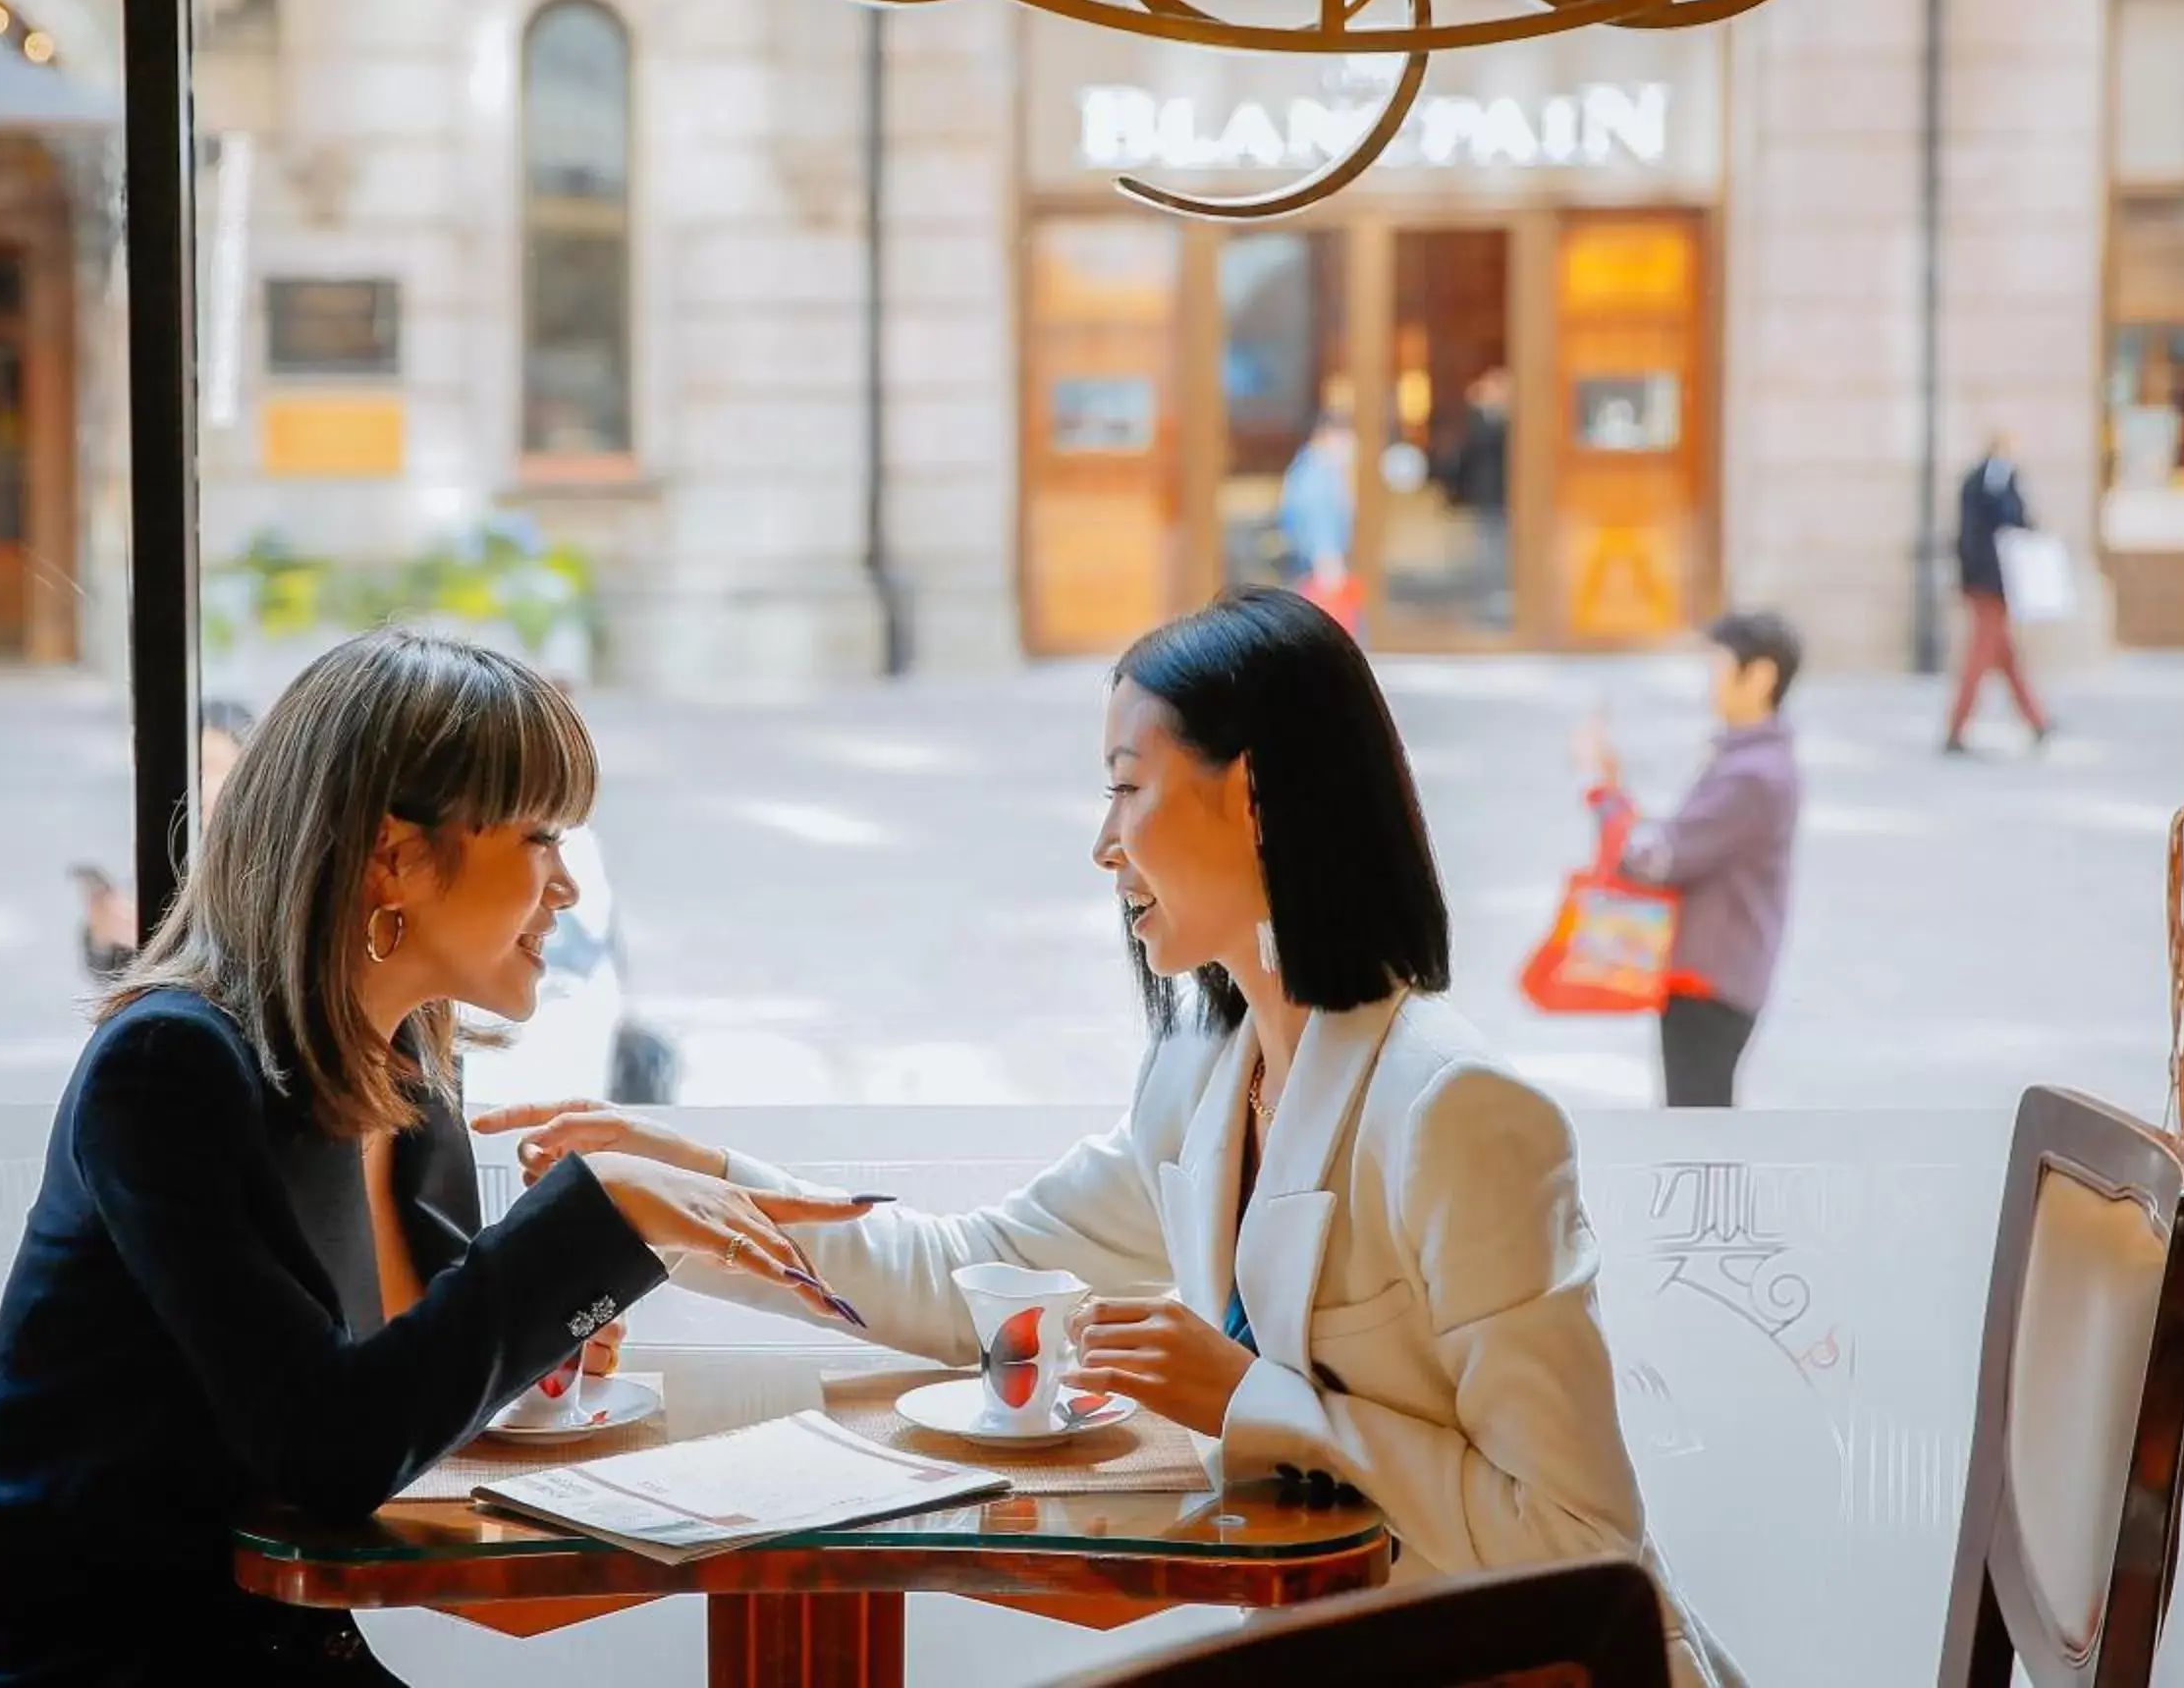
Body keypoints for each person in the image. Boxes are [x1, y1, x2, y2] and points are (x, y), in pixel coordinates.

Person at [485, 588, 1741, 1688]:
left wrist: (1253, 1398)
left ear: (1251, 795)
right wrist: (684, 1185)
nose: (1103, 845)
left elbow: (1583, 1550)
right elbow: (967, 1273)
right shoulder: (1204, 1077)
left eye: (1126, 788)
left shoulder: (1460, 1117)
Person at [0, 630, 872, 1688]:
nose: (565, 887)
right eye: (539, 838)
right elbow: (330, 1450)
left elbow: (403, 1383)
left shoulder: (408, 1066)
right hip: (57, 1659)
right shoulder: (167, 1069)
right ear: (394, 856)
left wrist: (540, 1348)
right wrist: (599, 1218)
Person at [1581, 612, 1805, 1110]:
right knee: (1702, 1129)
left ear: (1760, 676)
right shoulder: (1753, 761)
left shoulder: (1753, 775)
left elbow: (1659, 858)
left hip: (1711, 979)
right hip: (1719, 971)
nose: (1710, 682)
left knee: (1699, 1138)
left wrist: (1605, 794)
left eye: (1718, 667)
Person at [79, 700, 255, 983]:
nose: (198, 784)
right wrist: (106, 933)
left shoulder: (260, 871)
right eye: (190, 769)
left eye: (214, 767)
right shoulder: (172, 850)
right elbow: (112, 973)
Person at [1945, 431, 2053, 754]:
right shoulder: (1992, 481)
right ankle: (1957, 726)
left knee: (2006, 658)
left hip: (1988, 580)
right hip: (1990, 582)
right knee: (1981, 655)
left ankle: (2037, 720)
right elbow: (2005, 521)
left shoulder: (1982, 480)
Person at [1442, 368, 1512, 626]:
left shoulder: (1506, 418)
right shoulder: (1479, 419)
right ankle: (1488, 600)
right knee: (1487, 549)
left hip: (1505, 496)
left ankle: (1499, 599)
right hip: (1486, 494)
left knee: (1500, 548)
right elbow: (1476, 446)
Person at [1278, 404, 1357, 591]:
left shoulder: (1308, 469)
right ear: (1325, 436)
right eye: (1344, 438)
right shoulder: (1317, 477)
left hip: (1311, 567)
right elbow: (1320, 527)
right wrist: (1330, 567)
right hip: (1320, 571)